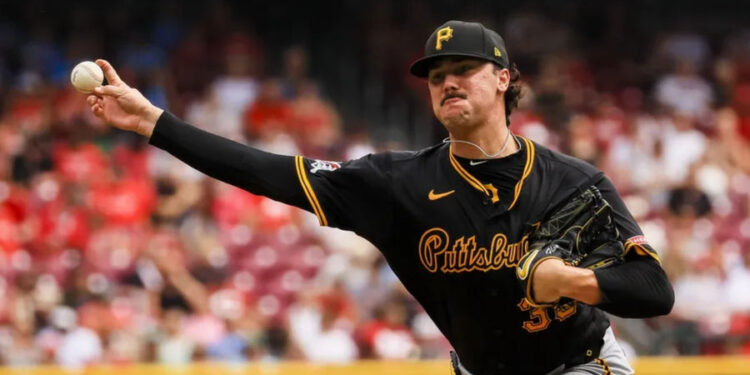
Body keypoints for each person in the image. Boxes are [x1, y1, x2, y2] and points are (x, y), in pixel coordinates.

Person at [85, 20, 673, 375]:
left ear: (503, 79)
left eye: (463, 68)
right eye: (436, 74)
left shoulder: (573, 181)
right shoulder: (395, 186)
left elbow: (654, 290)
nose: (446, 81)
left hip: (580, 364)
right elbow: (265, 172)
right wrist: (154, 124)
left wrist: (570, 281)